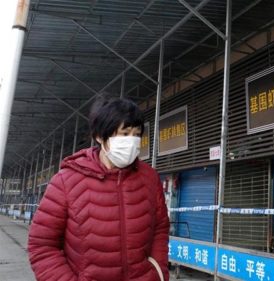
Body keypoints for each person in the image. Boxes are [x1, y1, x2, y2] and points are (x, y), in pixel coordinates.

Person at [28, 98, 169, 281]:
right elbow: (42, 246)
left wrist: (158, 273)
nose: (132, 141)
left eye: (136, 134)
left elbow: (160, 229)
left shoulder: (149, 178)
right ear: (100, 137)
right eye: (124, 134)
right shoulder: (66, 181)